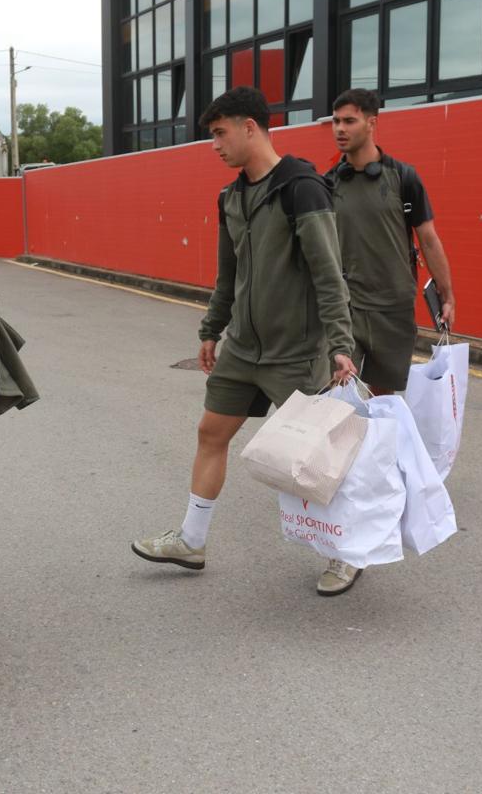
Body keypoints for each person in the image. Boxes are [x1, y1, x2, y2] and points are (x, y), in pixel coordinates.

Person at [131, 86, 358, 595]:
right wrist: (212, 330)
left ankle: (346, 553)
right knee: (211, 433)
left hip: (296, 353)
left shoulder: (303, 188)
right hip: (243, 349)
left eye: (219, 133)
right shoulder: (231, 197)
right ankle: (191, 540)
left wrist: (340, 344)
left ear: (250, 127)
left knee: (314, 458)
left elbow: (328, 275)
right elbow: (227, 274)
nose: (215, 144)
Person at [323, 87, 457, 593]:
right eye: (335, 121)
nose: (340, 129)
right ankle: (346, 546)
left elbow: (428, 239)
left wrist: (446, 294)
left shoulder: (404, 179)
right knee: (341, 414)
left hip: (394, 310)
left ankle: (385, 494)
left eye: (349, 121)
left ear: (373, 123)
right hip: (344, 314)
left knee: (379, 416)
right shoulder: (327, 181)